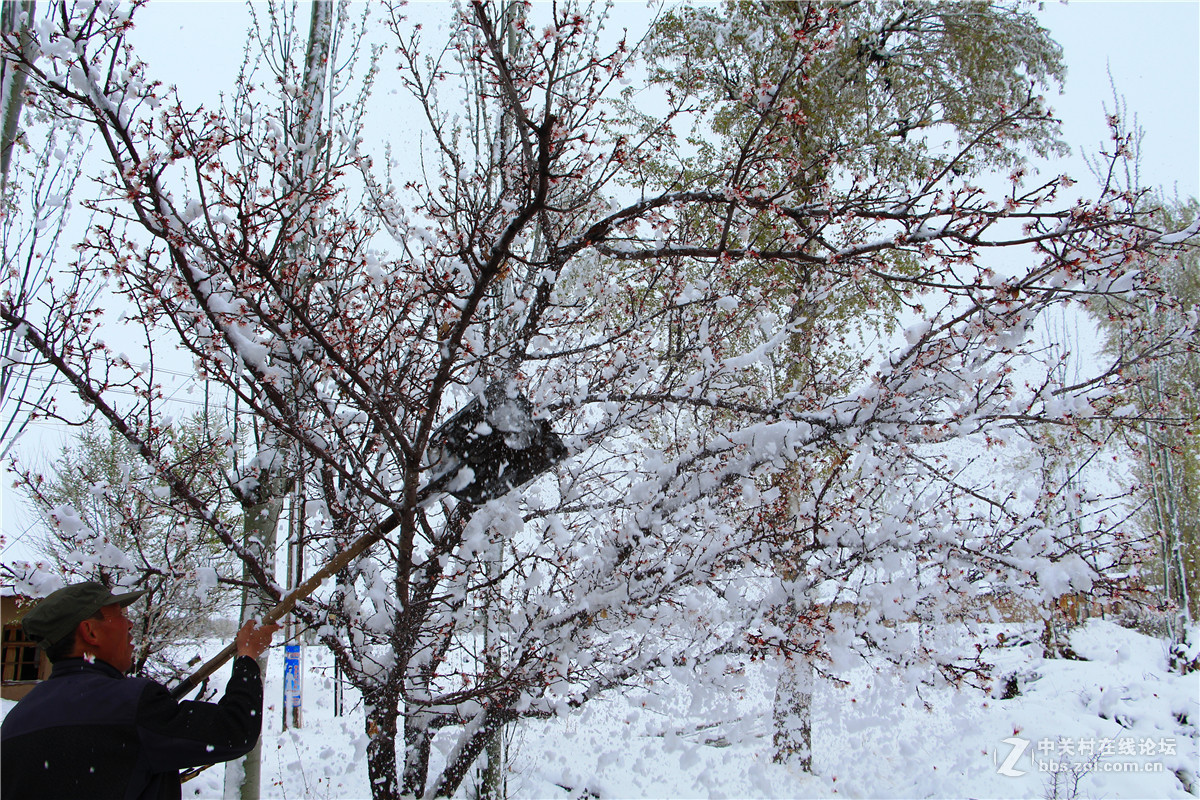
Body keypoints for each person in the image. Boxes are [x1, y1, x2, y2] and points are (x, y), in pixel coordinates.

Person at [1, 581, 280, 800]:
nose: (131, 623)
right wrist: (247, 656)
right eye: (120, 615)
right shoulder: (131, 705)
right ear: (90, 632)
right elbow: (235, 730)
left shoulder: (15, 722)